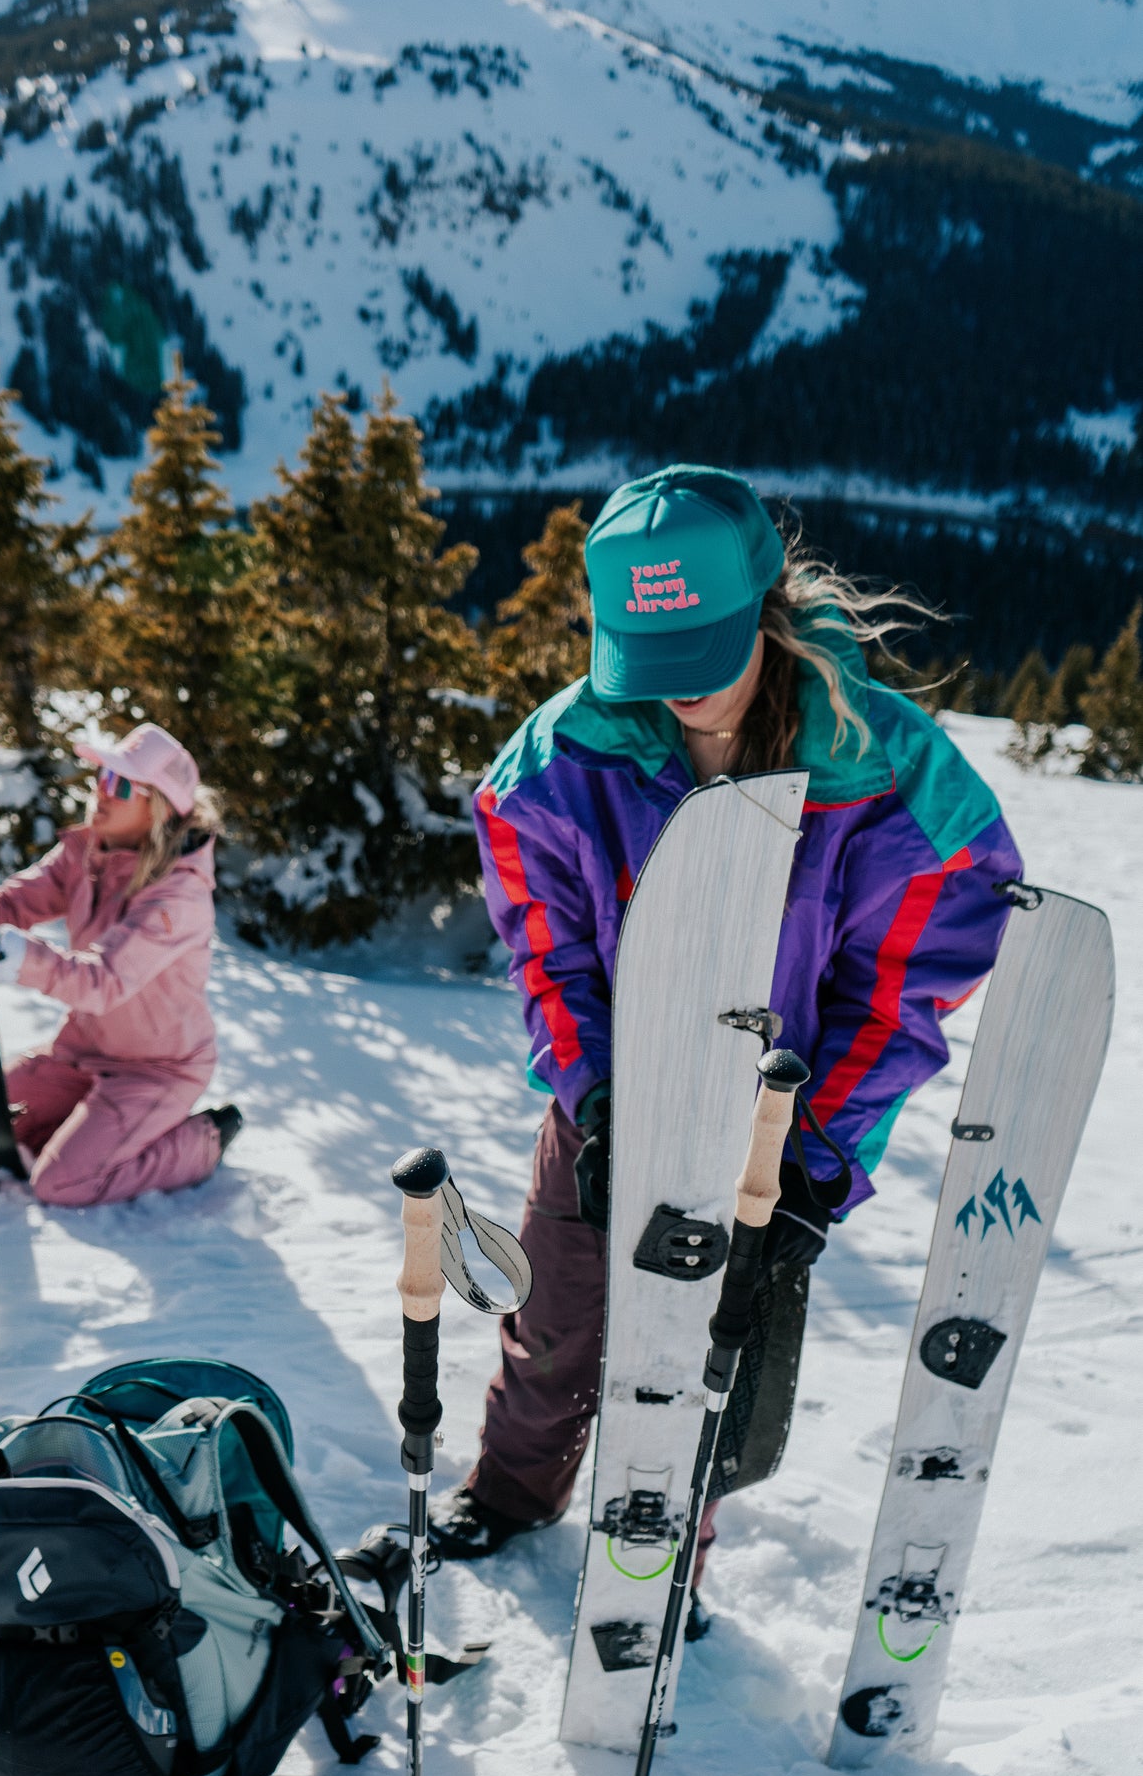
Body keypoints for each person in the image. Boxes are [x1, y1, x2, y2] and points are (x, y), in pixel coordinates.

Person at [431, 465, 1023, 1613]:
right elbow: (549, 950)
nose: (680, 690)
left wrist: (812, 1155)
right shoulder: (563, 763)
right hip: (610, 1100)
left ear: (764, 605)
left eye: (702, 653)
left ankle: (665, 1555)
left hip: (767, 1130)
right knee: (555, 1316)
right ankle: (509, 1489)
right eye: (649, 660)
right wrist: (594, 1097)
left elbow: (898, 987)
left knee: (709, 1356)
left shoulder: (880, 773)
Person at [0, 721, 241, 1206]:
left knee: (62, 1184)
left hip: (156, 1069)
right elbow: (10, 905)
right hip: (82, 1050)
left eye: (122, 785)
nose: (103, 791)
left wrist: (4, 953)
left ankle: (204, 1141)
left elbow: (101, 981)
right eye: (102, 775)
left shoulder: (178, 896)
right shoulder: (88, 852)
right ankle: (90, 1133)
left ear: (159, 806)